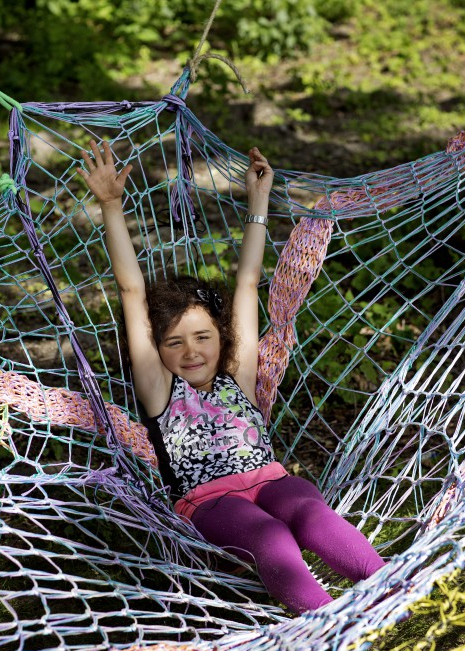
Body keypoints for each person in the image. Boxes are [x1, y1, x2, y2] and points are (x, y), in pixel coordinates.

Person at [77, 139, 386, 614]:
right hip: (210, 503)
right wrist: (112, 206)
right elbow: (130, 288)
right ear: (157, 351)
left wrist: (258, 202)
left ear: (222, 339)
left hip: (269, 479)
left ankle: (392, 591)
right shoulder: (162, 391)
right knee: (270, 536)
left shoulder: (237, 375)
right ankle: (327, 629)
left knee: (307, 507)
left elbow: (247, 281)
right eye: (174, 342)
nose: (191, 351)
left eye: (202, 337)